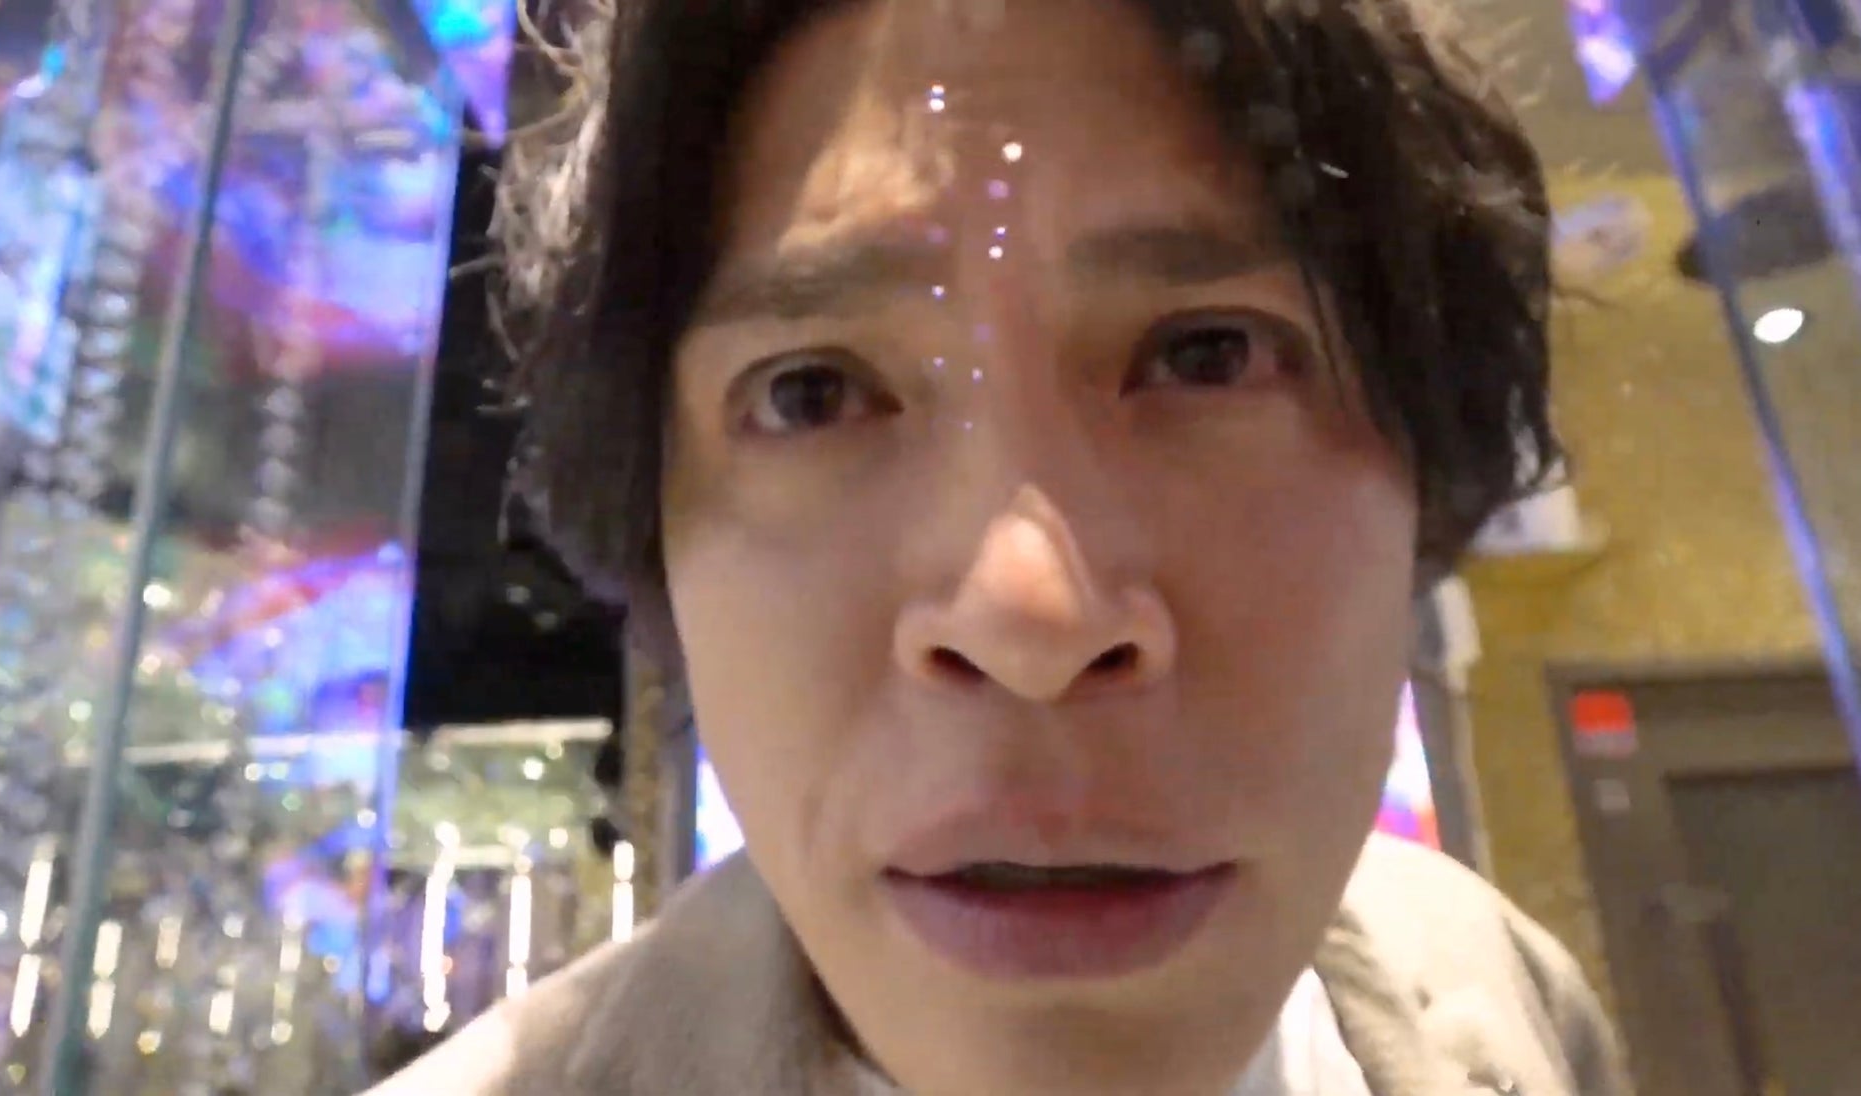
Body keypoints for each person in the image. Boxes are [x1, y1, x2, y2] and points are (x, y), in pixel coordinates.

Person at [376, 0, 1631, 1092]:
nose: (1033, 621)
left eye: (1209, 355)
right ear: (653, 527)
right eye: (813, 391)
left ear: (1426, 467)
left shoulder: (1501, 988)